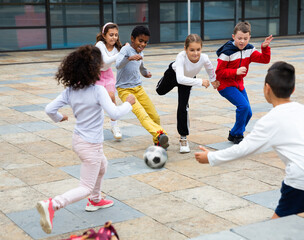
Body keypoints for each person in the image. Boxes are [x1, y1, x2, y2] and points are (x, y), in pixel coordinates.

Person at [36, 45, 135, 234]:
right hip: (91, 146)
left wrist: (59, 117)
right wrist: (129, 103)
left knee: (102, 165)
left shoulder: (70, 91)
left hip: (78, 141)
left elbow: (49, 109)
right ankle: (53, 204)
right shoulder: (98, 91)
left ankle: (96, 200)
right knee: (85, 187)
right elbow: (115, 112)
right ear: (93, 69)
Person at [195, 61, 304, 219]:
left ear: (266, 88)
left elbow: (242, 149)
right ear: (293, 89)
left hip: (300, 178)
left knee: (277, 227)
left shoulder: (271, 121)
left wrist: (210, 157)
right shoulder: (301, 109)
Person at [156, 34, 219, 153]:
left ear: (201, 48)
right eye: (192, 50)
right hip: (174, 75)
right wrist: (200, 82)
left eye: (198, 50)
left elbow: (210, 69)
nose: (195, 53)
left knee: (183, 107)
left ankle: (183, 138)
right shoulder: (181, 56)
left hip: (188, 79)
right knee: (159, 91)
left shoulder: (204, 58)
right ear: (185, 49)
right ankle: (164, 77)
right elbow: (180, 79)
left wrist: (213, 80)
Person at [216, 21, 273, 144]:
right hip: (225, 85)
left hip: (239, 85)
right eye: (239, 38)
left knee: (248, 112)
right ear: (233, 37)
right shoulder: (227, 52)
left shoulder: (249, 49)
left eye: (245, 39)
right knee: (243, 107)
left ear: (249, 38)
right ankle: (238, 135)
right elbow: (219, 73)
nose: (242, 41)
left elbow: (265, 60)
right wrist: (235, 71)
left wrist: (265, 47)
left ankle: (234, 134)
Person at [115, 25, 169, 148]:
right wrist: (129, 58)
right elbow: (118, 65)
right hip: (125, 90)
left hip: (138, 88)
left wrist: (145, 73)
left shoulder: (141, 53)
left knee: (154, 116)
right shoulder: (126, 50)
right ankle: (160, 134)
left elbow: (141, 67)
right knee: (142, 114)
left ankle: (159, 142)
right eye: (140, 41)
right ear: (132, 39)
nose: (143, 44)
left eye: (145, 42)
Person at [95, 22, 123, 140]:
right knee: (97, 103)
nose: (114, 38)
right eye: (111, 35)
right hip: (95, 75)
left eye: (116, 35)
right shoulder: (99, 45)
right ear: (104, 35)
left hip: (108, 75)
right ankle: (96, 128)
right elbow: (106, 60)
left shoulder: (117, 49)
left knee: (112, 97)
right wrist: (122, 53)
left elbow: (120, 64)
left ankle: (114, 126)